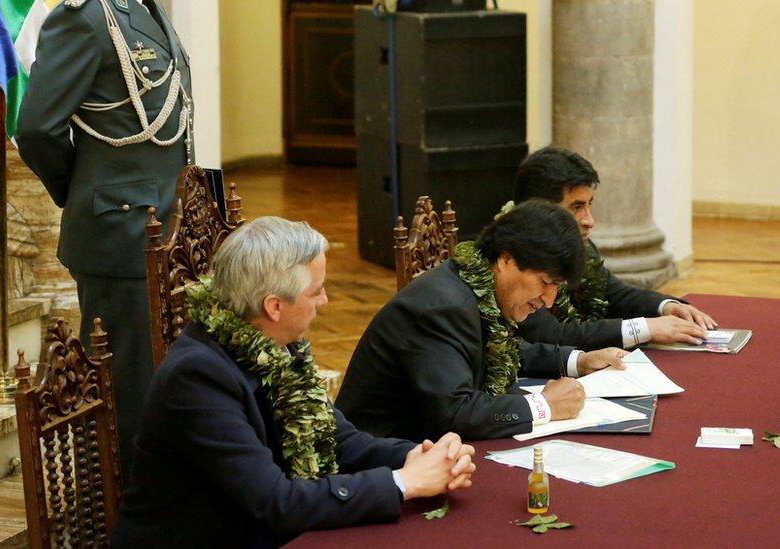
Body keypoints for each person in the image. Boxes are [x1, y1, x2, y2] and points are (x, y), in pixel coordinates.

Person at [111, 217, 476, 548]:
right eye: (316, 290)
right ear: (274, 306)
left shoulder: (275, 345)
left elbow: (338, 438)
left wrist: (416, 456)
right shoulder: (196, 379)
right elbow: (276, 501)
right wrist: (403, 482)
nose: (326, 300)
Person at [15, 0, 193, 474]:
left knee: (160, 385)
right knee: (131, 396)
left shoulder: (148, 10)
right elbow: (35, 129)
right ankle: (132, 515)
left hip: (163, 234)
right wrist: (85, 192)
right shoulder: (85, 16)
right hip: (121, 237)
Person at [337, 200, 628, 442]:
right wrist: (543, 406)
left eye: (557, 287)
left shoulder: (477, 286)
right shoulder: (442, 308)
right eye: (544, 282)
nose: (549, 300)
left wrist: (579, 361)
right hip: (386, 461)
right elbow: (455, 413)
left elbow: (491, 350)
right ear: (505, 259)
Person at [513, 146, 718, 351]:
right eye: (576, 207)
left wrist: (668, 307)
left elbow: (617, 295)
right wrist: (643, 328)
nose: (589, 221)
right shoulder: (513, 258)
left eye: (588, 205)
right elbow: (551, 335)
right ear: (540, 208)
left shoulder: (582, 248)